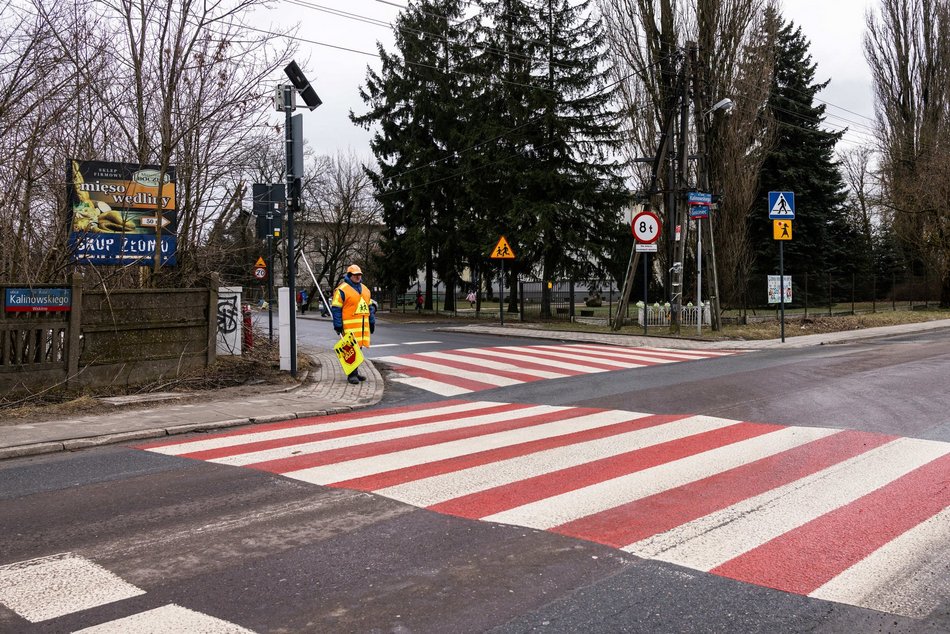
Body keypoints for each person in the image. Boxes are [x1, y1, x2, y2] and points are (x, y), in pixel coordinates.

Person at [331, 264, 375, 384]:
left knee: (358, 350)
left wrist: (372, 321)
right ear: (349, 275)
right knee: (350, 350)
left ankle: (355, 372)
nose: (358, 277)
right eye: (355, 275)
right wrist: (338, 325)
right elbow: (336, 309)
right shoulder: (342, 290)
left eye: (359, 274)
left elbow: (370, 307)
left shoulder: (365, 289)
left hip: (362, 328)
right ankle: (351, 375)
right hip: (348, 327)